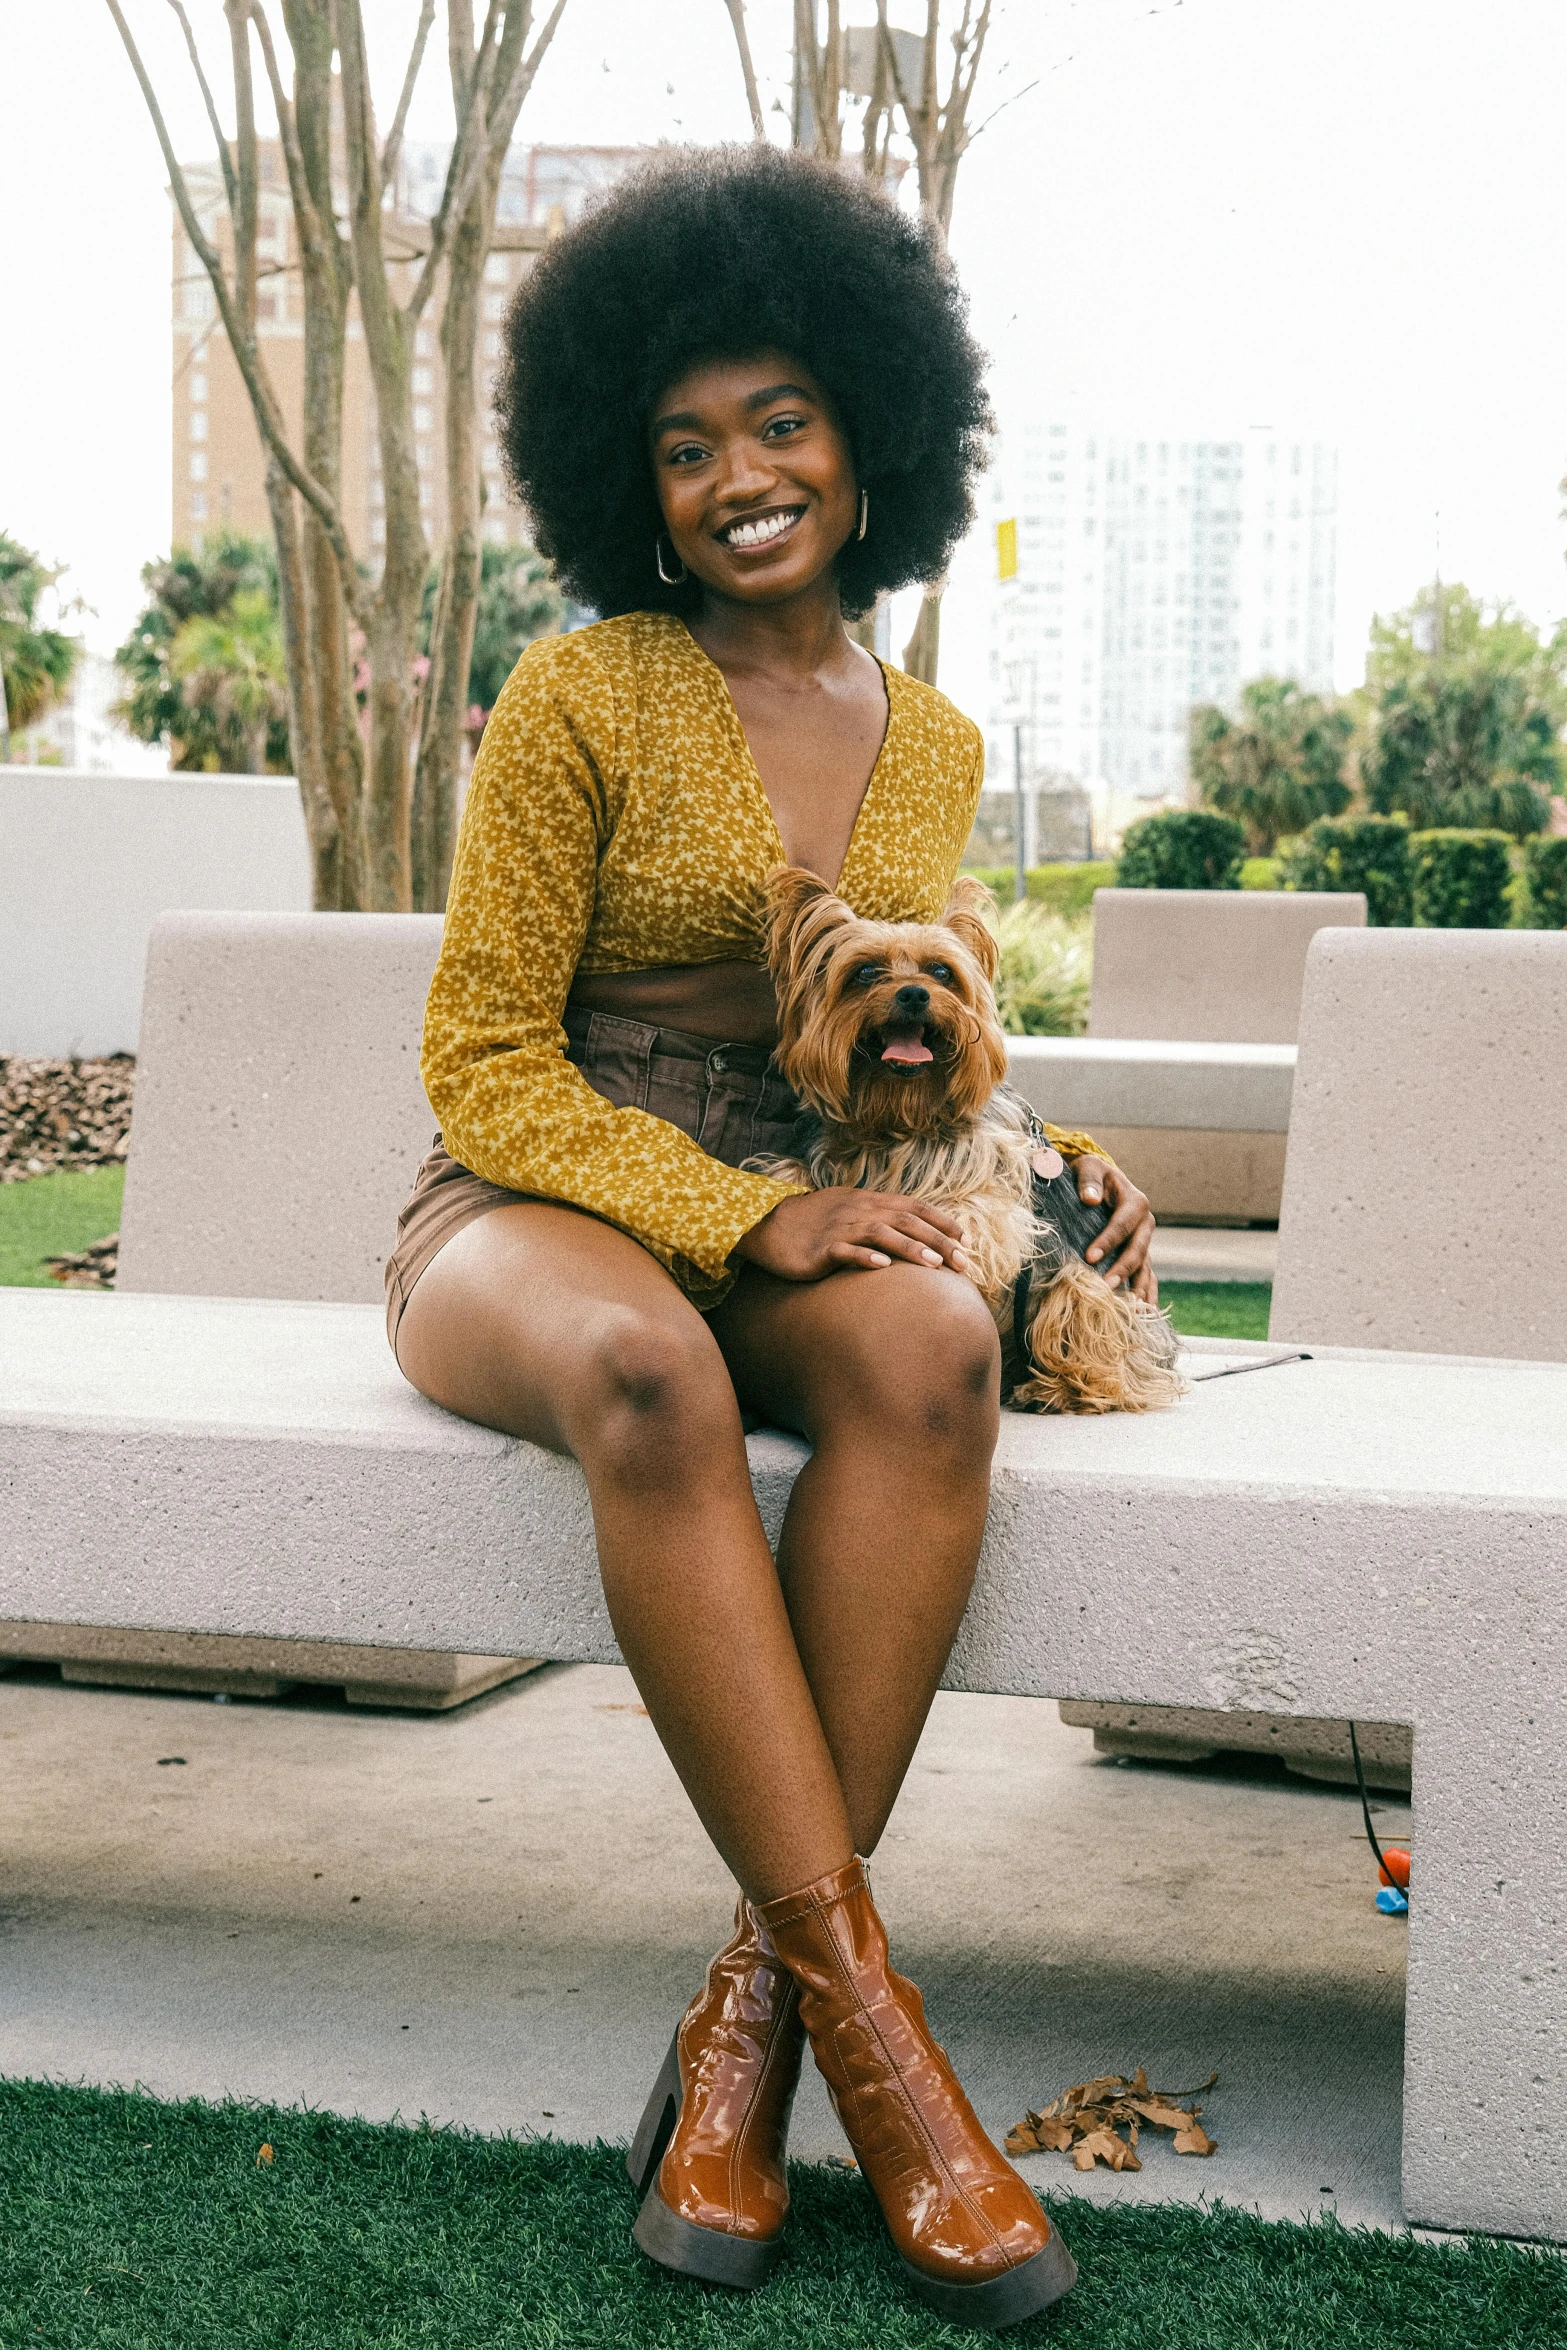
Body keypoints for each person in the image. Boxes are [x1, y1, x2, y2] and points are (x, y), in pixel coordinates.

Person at [387, 145, 1155, 2332]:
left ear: (870, 437)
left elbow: (901, 1030)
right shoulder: (579, 697)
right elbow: (482, 1054)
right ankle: (888, 2062)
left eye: (784, 424)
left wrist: (1054, 1148)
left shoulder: (935, 737)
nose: (741, 475)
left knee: (934, 1355)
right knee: (660, 1372)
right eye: (687, 440)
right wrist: (738, 1209)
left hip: (805, 1215)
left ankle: (744, 2029)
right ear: (624, 474)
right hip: (530, 1206)